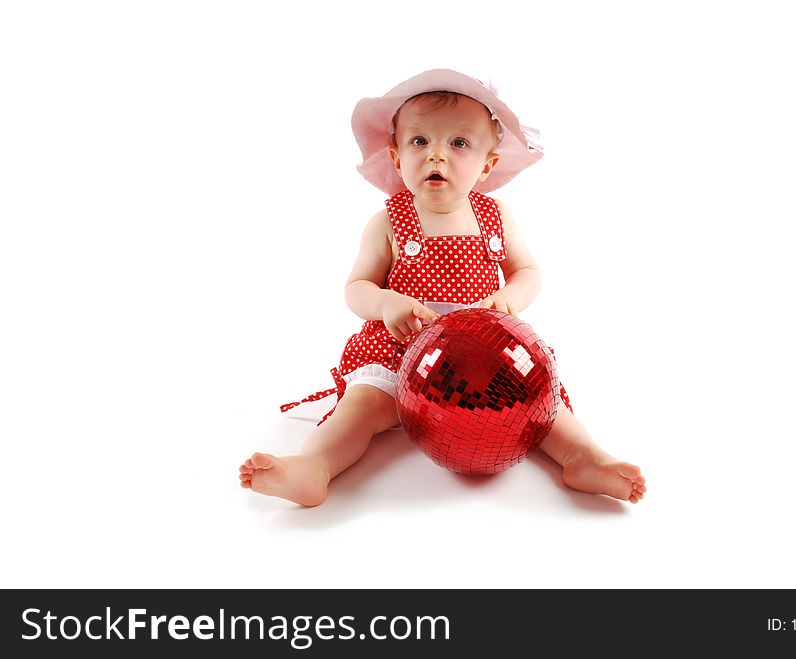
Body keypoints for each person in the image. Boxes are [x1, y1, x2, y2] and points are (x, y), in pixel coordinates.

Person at [239, 69, 646, 507]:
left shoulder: (496, 217)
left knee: (545, 409)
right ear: (396, 158)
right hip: (403, 348)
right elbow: (356, 287)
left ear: (487, 164)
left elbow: (528, 271)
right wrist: (386, 302)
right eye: (420, 142)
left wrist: (510, 299)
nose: (437, 156)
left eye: (458, 144)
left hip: (483, 361)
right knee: (361, 407)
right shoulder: (389, 222)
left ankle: (584, 458)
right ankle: (313, 467)